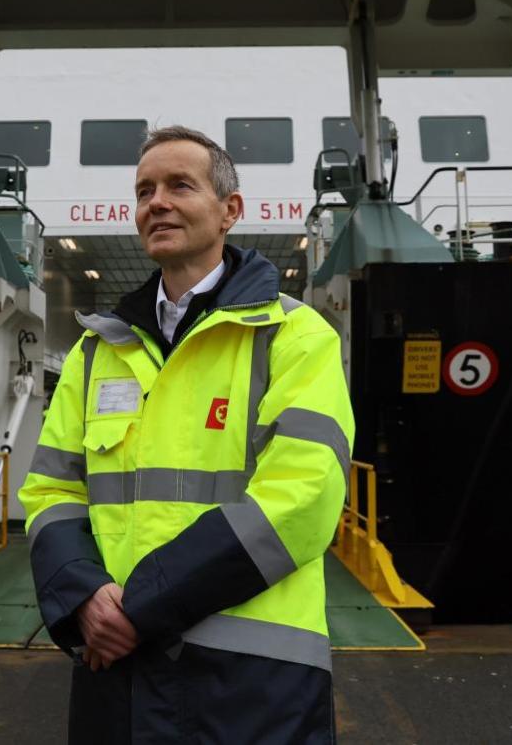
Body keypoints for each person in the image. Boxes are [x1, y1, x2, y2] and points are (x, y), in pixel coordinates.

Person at [19, 125, 354, 744]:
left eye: (179, 185)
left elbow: (304, 497)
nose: (157, 202)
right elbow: (49, 492)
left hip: (252, 680)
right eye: (145, 190)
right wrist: (85, 597)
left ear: (230, 210)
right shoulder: (97, 351)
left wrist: (138, 609)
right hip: (115, 668)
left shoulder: (295, 335)